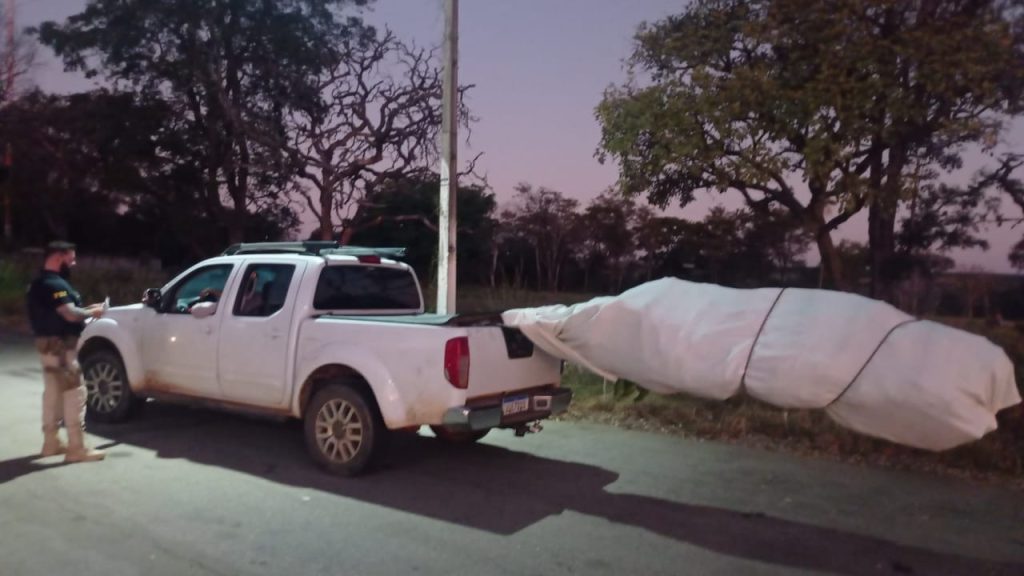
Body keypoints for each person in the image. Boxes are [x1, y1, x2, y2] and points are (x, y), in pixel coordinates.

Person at [25, 241, 106, 463]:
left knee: (52, 392)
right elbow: (69, 314)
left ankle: (51, 443)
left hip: (47, 345)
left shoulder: (38, 282)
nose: (73, 263)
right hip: (61, 346)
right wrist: (93, 312)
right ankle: (76, 447)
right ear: (58, 258)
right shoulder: (54, 284)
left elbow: (60, 311)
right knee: (75, 393)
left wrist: (89, 310)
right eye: (70, 259)